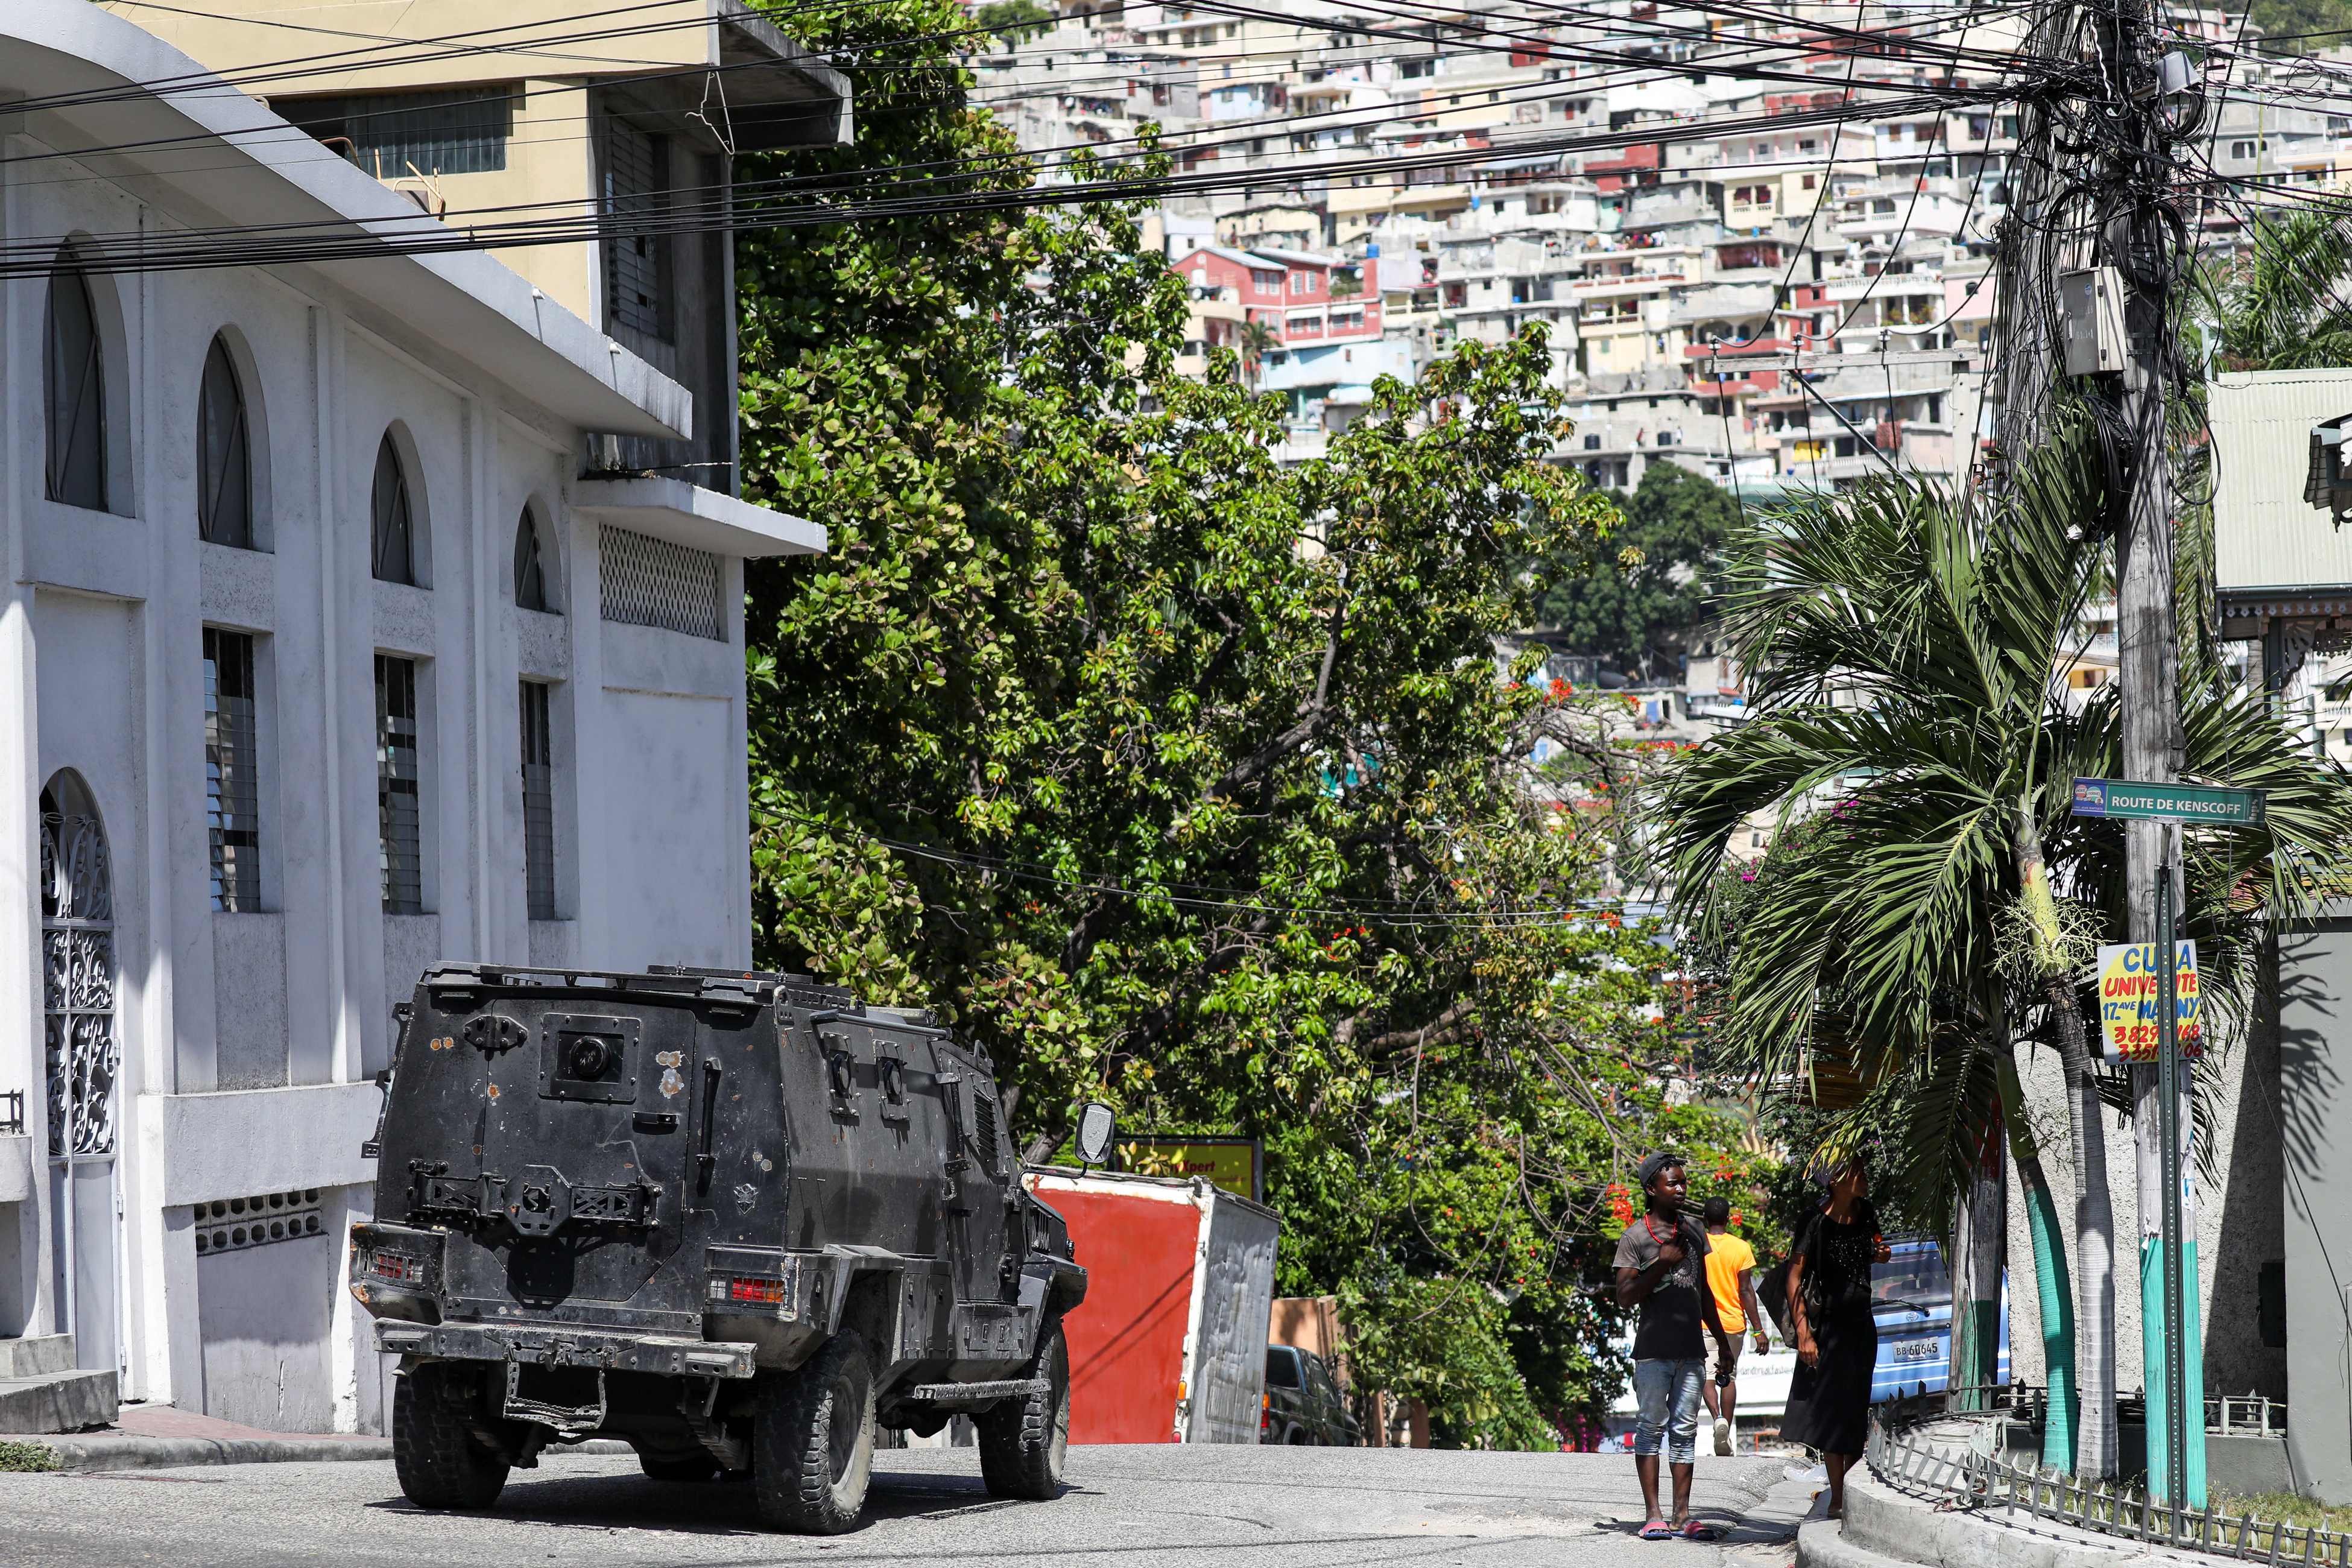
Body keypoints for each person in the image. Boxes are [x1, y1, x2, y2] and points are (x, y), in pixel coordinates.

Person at [1614, 1150, 1736, 1541]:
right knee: (1651, 1428)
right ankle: (1654, 1516)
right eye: (1674, 1183)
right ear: (1652, 1189)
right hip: (1652, 1352)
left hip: (1692, 1351)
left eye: (1684, 1182)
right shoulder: (1635, 1237)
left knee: (1685, 1431)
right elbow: (1625, 1297)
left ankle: (1683, 1517)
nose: (1682, 1189)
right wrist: (1663, 1264)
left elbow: (1704, 1295)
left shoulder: (1696, 1231)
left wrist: (1722, 1343)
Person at [1782, 1154, 1892, 1519]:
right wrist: (1804, 1334)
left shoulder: (1866, 1210)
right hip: (1828, 1328)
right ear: (1836, 1179)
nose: (1864, 1176)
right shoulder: (1814, 1221)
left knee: (1856, 1410)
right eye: (1857, 1171)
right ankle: (1838, 1496)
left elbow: (1881, 1249)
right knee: (1832, 1413)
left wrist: (1882, 1253)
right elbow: (1794, 1278)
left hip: (1862, 1326)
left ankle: (1849, 1490)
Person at [1698, 1196, 1770, 1456]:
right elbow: (1746, 1291)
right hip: (1733, 1324)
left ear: (1706, 1219)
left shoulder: (1698, 1245)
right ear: (1728, 1218)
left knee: (1706, 1375)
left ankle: (1716, 1417)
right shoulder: (1741, 1248)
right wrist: (1759, 1329)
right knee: (1728, 1376)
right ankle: (1726, 1430)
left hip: (1704, 1322)